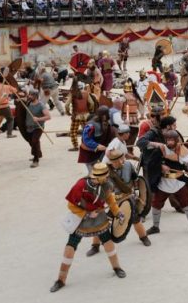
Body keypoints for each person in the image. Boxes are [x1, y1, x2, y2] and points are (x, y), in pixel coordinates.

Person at [49, 162, 126, 292]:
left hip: (99, 220)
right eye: (105, 176)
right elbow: (71, 206)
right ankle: (61, 279)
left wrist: (118, 212)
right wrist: (87, 213)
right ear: (98, 176)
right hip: (81, 221)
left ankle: (117, 267)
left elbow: (111, 201)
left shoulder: (107, 185)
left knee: (108, 243)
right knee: (70, 247)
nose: (108, 178)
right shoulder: (80, 185)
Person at [86, 146, 151, 254]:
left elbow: (136, 179)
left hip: (128, 199)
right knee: (102, 223)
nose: (122, 161)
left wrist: (137, 192)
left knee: (135, 220)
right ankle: (95, 246)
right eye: (119, 160)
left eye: (122, 158)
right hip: (112, 202)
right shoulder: (104, 171)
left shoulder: (128, 165)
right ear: (112, 162)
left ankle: (143, 237)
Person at [144, 130, 188, 236]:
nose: (170, 142)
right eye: (168, 140)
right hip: (163, 183)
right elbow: (150, 163)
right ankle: (155, 227)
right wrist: (160, 167)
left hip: (179, 183)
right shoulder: (160, 150)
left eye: (172, 140)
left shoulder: (183, 151)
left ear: (176, 140)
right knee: (156, 205)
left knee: (187, 204)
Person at [19, 88, 51, 168]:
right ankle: (38, 153)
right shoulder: (28, 103)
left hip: (38, 127)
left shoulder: (41, 105)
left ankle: (35, 159)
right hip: (28, 127)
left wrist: (38, 119)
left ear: (36, 96)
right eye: (29, 94)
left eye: (31, 95)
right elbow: (21, 98)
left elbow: (48, 117)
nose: (29, 96)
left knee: (34, 141)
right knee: (32, 142)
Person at [78, 107, 116, 172]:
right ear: (103, 115)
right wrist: (97, 146)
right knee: (94, 174)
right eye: (107, 114)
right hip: (90, 154)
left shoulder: (107, 123)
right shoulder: (91, 125)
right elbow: (86, 140)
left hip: (101, 154)